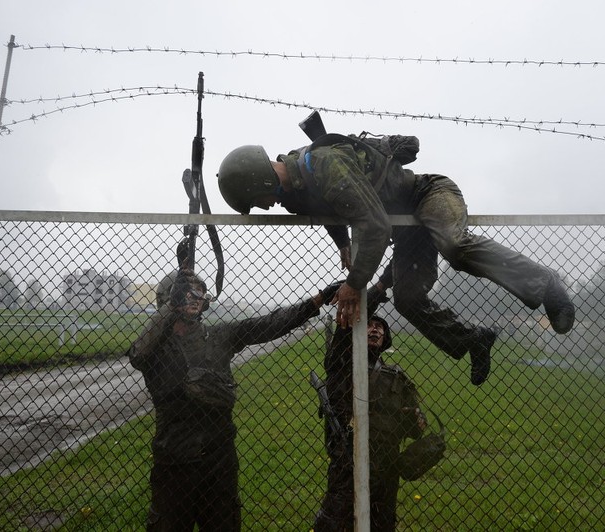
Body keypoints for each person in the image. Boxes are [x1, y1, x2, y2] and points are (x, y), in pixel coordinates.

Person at [217, 138, 575, 385]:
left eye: (258, 199)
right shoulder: (299, 182)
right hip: (404, 223)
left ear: (258, 178)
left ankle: (545, 284)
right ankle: (473, 340)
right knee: (407, 299)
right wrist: (343, 243)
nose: (266, 206)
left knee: (454, 245)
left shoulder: (325, 165)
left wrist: (354, 284)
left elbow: (374, 226)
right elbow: (327, 207)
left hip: (425, 194)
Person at [128, 268, 340, 531]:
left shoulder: (217, 337)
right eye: (187, 292)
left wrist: (316, 301)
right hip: (174, 461)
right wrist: (172, 306)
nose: (196, 297)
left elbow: (267, 325)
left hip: (219, 462)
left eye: (200, 293)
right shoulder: (157, 347)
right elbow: (137, 355)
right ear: (169, 298)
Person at [313, 312, 428, 531]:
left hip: (387, 465)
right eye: (369, 325)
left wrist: (416, 420)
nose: (375, 329)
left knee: (382, 523)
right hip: (348, 459)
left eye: (380, 327)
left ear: (385, 337)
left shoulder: (396, 377)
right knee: (335, 521)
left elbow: (415, 428)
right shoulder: (343, 367)